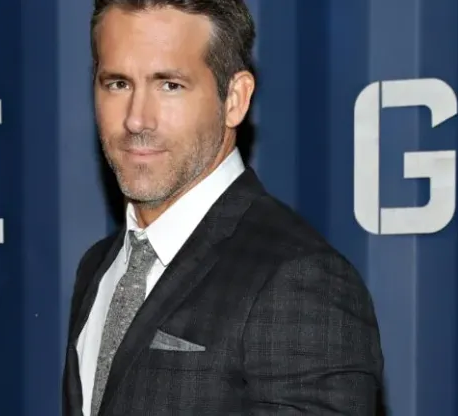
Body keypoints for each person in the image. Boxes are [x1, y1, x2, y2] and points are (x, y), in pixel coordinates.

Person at [63, 0, 384, 414]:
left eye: (169, 85)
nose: (137, 120)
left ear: (235, 98)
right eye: (118, 84)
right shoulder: (99, 267)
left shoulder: (298, 278)